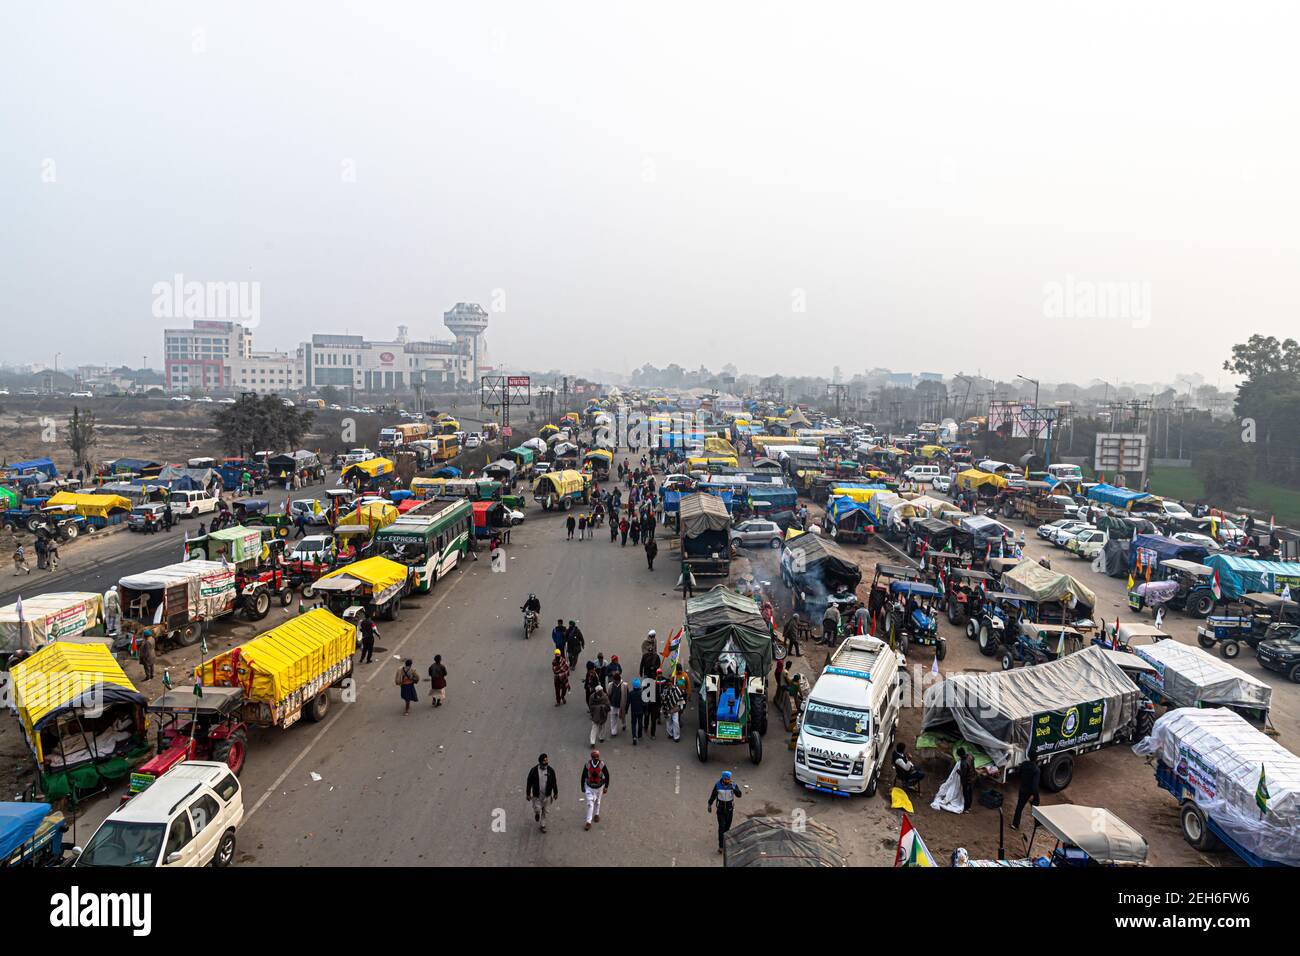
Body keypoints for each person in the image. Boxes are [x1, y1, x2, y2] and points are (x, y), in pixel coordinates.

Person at [707, 770, 743, 854]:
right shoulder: (718, 785)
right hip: (720, 810)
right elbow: (713, 795)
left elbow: (739, 795)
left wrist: (734, 788)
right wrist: (709, 804)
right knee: (721, 827)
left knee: (727, 828)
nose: (728, 780)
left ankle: (725, 841)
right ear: (723, 779)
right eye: (726, 779)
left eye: (729, 779)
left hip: (730, 810)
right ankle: (721, 846)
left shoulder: (733, 785)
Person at [526, 753, 558, 833]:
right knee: (538, 809)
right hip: (537, 795)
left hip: (547, 795)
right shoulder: (533, 771)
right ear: (540, 762)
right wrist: (528, 793)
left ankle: (543, 825)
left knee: (545, 811)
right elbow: (529, 782)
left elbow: (554, 782)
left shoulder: (551, 771)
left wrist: (556, 792)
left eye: (547, 760)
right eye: (544, 761)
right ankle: (537, 813)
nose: (546, 762)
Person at [580, 749, 610, 831]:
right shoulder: (587, 764)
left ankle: (596, 814)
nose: (596, 759)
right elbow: (583, 775)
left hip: (599, 787)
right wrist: (582, 786)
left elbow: (607, 775)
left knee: (598, 801)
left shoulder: (602, 765)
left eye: (597, 757)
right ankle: (588, 822)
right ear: (592, 757)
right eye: (595, 757)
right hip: (589, 787)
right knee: (590, 803)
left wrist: (606, 787)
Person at [1010, 756, 1041, 830]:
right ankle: (1037, 822)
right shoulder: (1036, 770)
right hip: (1030, 791)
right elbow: (1035, 785)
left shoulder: (1024, 764)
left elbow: (1019, 773)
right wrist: (1033, 795)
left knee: (1019, 807)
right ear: (1036, 758)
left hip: (1023, 789)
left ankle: (1015, 824)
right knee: (1035, 806)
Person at [662, 671, 685, 741]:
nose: (670, 685)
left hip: (675, 709)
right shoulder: (665, 690)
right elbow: (663, 699)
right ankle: (670, 734)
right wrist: (664, 709)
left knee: (676, 722)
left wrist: (681, 707)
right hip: (668, 709)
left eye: (670, 684)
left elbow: (680, 697)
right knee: (668, 723)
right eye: (668, 684)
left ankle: (676, 737)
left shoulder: (676, 689)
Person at [606, 669, 629, 737]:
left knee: (622, 717)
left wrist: (626, 707)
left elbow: (627, 696)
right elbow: (609, 694)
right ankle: (614, 731)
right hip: (613, 705)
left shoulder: (624, 685)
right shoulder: (610, 685)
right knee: (613, 719)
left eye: (615, 680)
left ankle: (623, 724)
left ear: (618, 680)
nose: (614, 681)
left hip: (621, 706)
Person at [628, 678, 647, 745]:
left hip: (633, 711)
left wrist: (626, 710)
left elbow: (628, 702)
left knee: (633, 723)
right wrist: (645, 711)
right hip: (640, 711)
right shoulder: (642, 693)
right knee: (640, 723)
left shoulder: (631, 693)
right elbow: (645, 703)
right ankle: (640, 735)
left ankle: (634, 737)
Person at [958, 749, 975, 813]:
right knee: (970, 793)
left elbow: (963, 774)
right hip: (973, 778)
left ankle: (966, 808)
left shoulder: (964, 763)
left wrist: (958, 771)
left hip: (967, 781)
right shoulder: (970, 756)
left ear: (960, 755)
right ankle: (969, 807)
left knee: (966, 794)